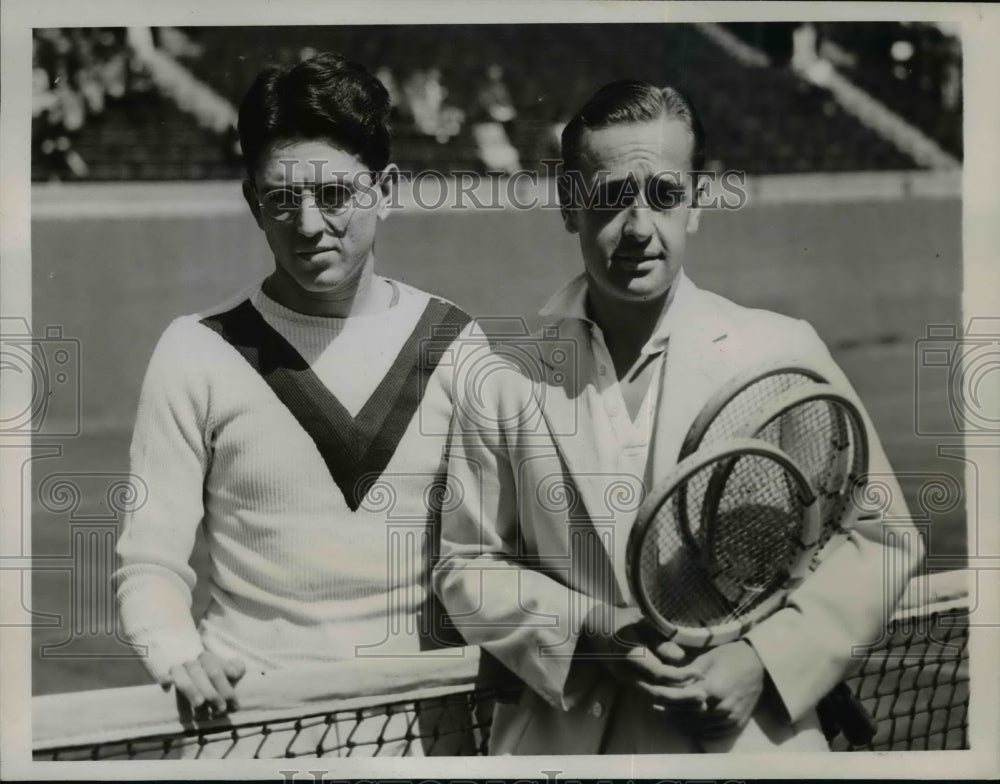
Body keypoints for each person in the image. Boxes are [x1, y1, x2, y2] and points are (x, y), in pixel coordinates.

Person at [432, 80, 923, 754]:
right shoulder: (500, 379)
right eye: (610, 198)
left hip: (746, 744)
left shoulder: (779, 349)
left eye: (663, 195)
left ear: (697, 201)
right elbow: (466, 565)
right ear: (568, 205)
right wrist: (589, 634)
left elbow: (880, 538)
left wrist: (762, 663)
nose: (638, 228)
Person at [114, 53, 473, 736]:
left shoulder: (456, 343)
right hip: (250, 731)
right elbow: (149, 560)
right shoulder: (196, 349)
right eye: (282, 198)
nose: (308, 224)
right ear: (253, 202)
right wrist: (174, 651)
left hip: (422, 735)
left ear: (385, 190)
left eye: (334, 194)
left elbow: (487, 563)